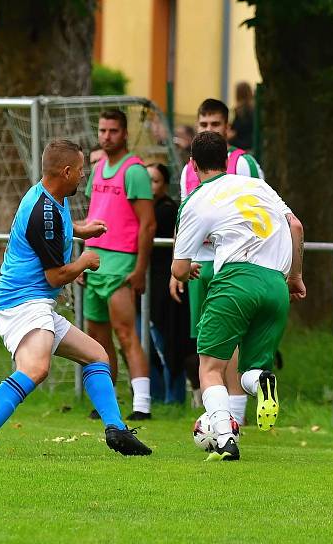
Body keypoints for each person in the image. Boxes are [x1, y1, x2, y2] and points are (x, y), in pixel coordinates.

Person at [0, 140, 151, 458]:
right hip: (21, 302)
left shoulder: (52, 197)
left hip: (35, 302)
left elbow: (54, 232)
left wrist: (81, 230)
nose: (83, 176)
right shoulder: (43, 211)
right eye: (81, 170)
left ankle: (117, 430)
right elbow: (54, 276)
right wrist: (85, 261)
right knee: (35, 368)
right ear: (67, 171)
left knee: (97, 356)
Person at [172, 131, 306, 461]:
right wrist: (296, 276)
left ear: (192, 164)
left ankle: (225, 438)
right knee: (250, 369)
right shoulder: (257, 186)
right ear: (228, 160)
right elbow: (297, 226)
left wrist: (183, 271)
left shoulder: (196, 199)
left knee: (210, 368)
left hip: (235, 280)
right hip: (276, 284)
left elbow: (178, 268)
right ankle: (262, 380)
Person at [171, 98, 265, 425]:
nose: (209, 129)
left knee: (231, 337)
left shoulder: (243, 164)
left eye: (215, 124)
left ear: (228, 128)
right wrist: (177, 264)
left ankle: (234, 415)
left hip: (235, 260)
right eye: (204, 124)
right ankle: (220, 412)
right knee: (206, 338)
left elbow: (260, 212)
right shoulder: (188, 169)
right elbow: (185, 217)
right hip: (199, 262)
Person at [83, 109, 156, 420]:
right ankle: (107, 403)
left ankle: (142, 404)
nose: (106, 136)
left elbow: (148, 224)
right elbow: (91, 216)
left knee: (126, 334)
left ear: (125, 133)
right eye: (102, 130)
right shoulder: (99, 169)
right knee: (97, 339)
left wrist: (140, 269)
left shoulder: (134, 171)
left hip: (121, 264)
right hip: (94, 262)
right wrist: (81, 261)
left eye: (113, 131)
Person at [145, 163, 193, 403]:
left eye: (154, 180)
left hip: (167, 287)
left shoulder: (166, 210)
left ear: (164, 185)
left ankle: (174, 399)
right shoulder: (144, 208)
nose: (149, 185)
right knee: (150, 343)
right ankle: (155, 395)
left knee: (170, 344)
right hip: (147, 285)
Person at [228, 81, 255, 152]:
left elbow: (234, 131)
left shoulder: (240, 110)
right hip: (252, 144)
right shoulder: (254, 108)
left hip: (240, 146)